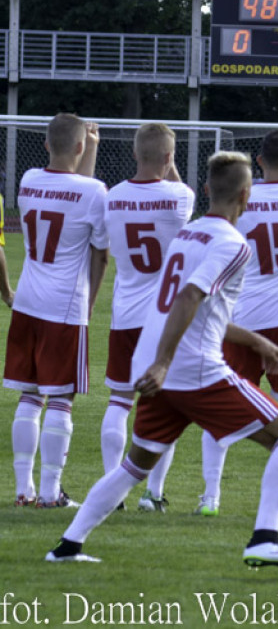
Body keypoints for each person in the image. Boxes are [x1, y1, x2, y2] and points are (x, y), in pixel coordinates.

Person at [46, 151, 278, 570]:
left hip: (158, 366)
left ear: (208, 189)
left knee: (134, 466)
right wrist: (164, 362)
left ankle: (66, 546)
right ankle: (266, 537)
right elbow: (189, 298)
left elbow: (193, 307)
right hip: (191, 370)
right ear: (246, 194)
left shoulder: (188, 234)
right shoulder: (233, 243)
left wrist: (255, 342)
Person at [197, 131, 278, 517]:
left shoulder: (244, 200)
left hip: (242, 319)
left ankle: (211, 496)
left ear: (259, 161)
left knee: (218, 405)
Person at [5, 113, 108, 508]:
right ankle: (50, 493)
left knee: (29, 397)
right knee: (61, 400)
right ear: (81, 147)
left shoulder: (29, 181)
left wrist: (88, 147)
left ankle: (22, 489)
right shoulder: (96, 191)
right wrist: (92, 301)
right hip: (64, 307)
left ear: (46, 144)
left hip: (27, 300)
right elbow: (100, 254)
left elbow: (71, 187)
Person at [101, 123, 194, 513]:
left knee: (119, 400)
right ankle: (152, 494)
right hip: (164, 317)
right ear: (170, 157)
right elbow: (179, 193)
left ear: (135, 154)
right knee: (165, 408)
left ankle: (112, 490)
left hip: (125, 313)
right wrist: (169, 167)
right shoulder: (180, 196)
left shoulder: (111, 197)